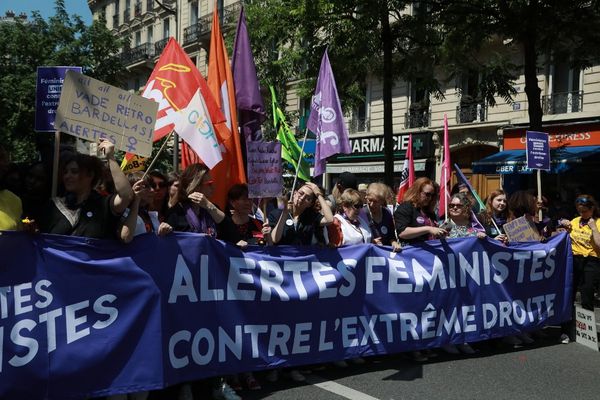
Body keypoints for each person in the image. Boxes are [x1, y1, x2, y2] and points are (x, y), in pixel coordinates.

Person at [40, 140, 133, 239]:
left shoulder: (103, 205)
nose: (67, 176)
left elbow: (126, 196)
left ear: (90, 175)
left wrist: (111, 157)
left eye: (74, 172)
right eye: (65, 172)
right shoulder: (54, 205)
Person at [557, 195, 600, 343]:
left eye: (585, 211)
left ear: (592, 209)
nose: (582, 214)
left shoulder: (598, 222)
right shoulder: (575, 221)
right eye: (579, 211)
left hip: (591, 261)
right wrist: (563, 225)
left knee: (587, 295)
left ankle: (587, 333)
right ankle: (566, 331)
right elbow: (561, 234)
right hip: (574, 260)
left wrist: (594, 228)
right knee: (569, 294)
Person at [165, 163, 224, 235]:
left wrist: (209, 206)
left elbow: (232, 234)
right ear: (196, 186)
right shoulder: (175, 214)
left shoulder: (213, 209)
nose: (213, 187)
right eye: (209, 184)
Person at [118, 172, 172, 243]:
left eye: (151, 186)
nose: (152, 190)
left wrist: (163, 232)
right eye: (146, 186)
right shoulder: (123, 213)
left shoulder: (150, 215)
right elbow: (126, 238)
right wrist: (136, 200)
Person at [394, 177, 446, 245]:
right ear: (417, 192)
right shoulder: (406, 207)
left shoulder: (429, 211)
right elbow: (402, 233)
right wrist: (428, 229)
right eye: (427, 194)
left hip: (430, 251)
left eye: (432, 195)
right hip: (412, 252)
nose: (430, 198)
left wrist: (440, 232)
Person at [219, 183, 272, 248]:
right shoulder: (225, 226)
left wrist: (268, 238)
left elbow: (269, 251)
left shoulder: (259, 225)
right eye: (244, 199)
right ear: (232, 202)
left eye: (250, 199)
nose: (248, 203)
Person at [364, 183, 401, 251]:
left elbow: (391, 236)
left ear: (381, 201)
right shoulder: (362, 213)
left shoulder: (387, 213)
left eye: (375, 201)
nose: (371, 204)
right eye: (370, 200)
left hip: (385, 254)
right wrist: (370, 242)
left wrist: (394, 243)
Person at [0, 145, 22, 231]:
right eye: (0, 157)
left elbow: (17, 240)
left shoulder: (14, 200)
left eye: (4, 158)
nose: (4, 163)